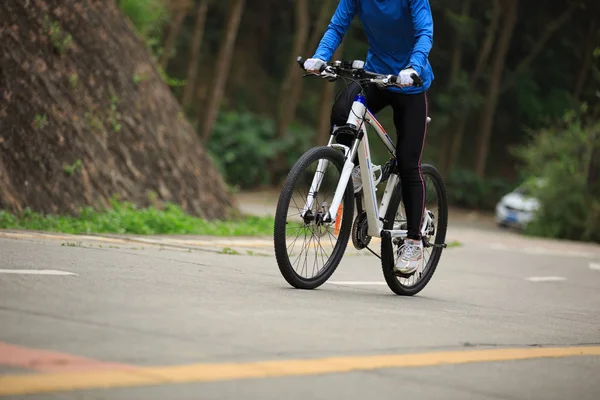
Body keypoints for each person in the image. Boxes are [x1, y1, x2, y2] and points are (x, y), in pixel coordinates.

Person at [304, 0, 434, 275]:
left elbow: (425, 33)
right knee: (342, 111)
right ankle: (354, 172)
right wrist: (321, 56)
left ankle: (413, 239)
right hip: (376, 77)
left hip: (410, 84)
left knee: (408, 163)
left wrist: (413, 67)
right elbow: (337, 26)